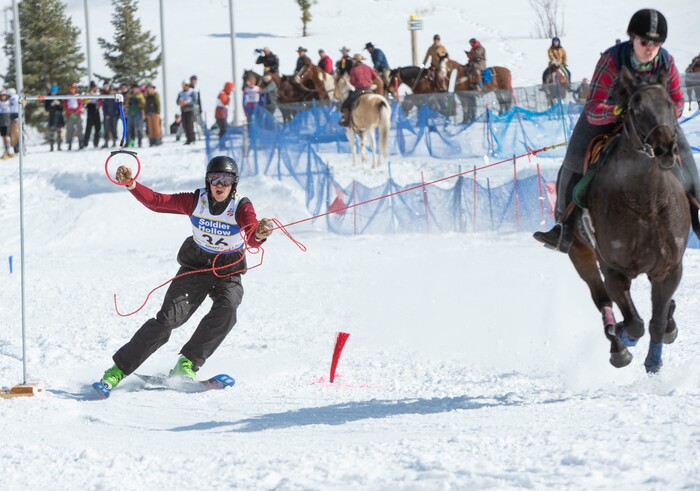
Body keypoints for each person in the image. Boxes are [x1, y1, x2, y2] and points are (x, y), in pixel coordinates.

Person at [95, 156, 274, 392]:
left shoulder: (241, 206)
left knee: (228, 307)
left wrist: (260, 233)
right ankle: (117, 371)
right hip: (196, 265)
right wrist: (132, 184)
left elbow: (252, 234)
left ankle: (187, 363)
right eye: (214, 179)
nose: (220, 185)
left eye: (226, 179)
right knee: (167, 320)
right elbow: (158, 202)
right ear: (207, 181)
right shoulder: (195, 200)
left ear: (234, 183)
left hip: (227, 269)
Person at [534, 8, 700, 253]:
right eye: (644, 41)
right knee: (575, 155)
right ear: (632, 38)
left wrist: (662, 113)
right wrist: (618, 112)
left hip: (653, 121)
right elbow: (593, 107)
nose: (650, 48)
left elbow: (677, 100)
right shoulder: (612, 60)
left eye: (656, 43)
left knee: (684, 155)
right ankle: (564, 227)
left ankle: (696, 215)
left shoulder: (666, 61)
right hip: (610, 114)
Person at [338, 53, 379, 127]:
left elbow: (352, 81)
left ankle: (346, 121)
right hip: (369, 89)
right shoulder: (368, 67)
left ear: (355, 61)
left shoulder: (353, 69)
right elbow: (375, 77)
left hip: (359, 90)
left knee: (345, 105)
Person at [64, 84, 84, 151]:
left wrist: (76, 112)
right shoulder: (67, 96)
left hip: (77, 114)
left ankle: (81, 143)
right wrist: (70, 113)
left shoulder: (77, 96)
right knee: (69, 129)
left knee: (80, 129)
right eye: (71, 88)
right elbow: (66, 106)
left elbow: (80, 105)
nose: (72, 90)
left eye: (73, 88)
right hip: (70, 115)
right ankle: (69, 143)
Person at [45, 84, 65, 152]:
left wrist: (59, 104)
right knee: (52, 133)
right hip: (52, 117)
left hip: (59, 117)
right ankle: (51, 147)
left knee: (60, 133)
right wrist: (51, 104)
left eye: (55, 92)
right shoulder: (48, 97)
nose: (54, 93)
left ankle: (59, 146)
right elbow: (46, 108)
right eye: (52, 91)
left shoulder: (59, 97)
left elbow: (63, 108)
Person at [82, 81, 102, 148]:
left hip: (97, 111)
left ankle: (96, 143)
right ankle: (85, 143)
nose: (93, 88)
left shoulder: (98, 93)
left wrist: (98, 101)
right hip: (90, 110)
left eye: (94, 87)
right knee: (88, 128)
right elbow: (85, 102)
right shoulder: (87, 94)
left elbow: (100, 102)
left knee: (98, 128)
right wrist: (89, 96)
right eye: (92, 87)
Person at [177, 80, 196, 145]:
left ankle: (192, 139)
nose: (184, 87)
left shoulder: (191, 92)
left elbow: (194, 101)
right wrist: (180, 102)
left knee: (190, 125)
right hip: (183, 111)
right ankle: (188, 139)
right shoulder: (181, 93)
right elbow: (177, 101)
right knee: (185, 125)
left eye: (186, 85)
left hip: (190, 110)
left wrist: (186, 103)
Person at [0, 89, 11, 158]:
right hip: (1, 121)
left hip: (9, 120)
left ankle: (11, 149)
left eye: (4, 95)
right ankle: (6, 149)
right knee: (4, 136)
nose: (3, 97)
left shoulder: (10, 102)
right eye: (1, 95)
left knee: (9, 136)